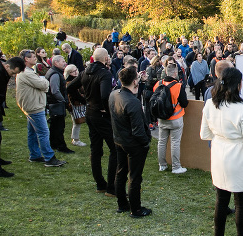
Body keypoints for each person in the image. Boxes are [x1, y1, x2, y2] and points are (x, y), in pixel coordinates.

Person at [199, 67, 243, 236]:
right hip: (238, 158)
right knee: (241, 204)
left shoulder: (209, 104)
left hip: (219, 155)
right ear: (238, 85)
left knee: (221, 201)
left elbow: (204, 135)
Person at [68, 47, 117, 194]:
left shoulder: (84, 72)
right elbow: (104, 95)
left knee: (95, 149)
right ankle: (110, 187)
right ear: (105, 58)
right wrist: (106, 110)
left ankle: (100, 184)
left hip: (90, 112)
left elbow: (70, 87)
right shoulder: (104, 74)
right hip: (100, 114)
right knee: (114, 149)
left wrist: (85, 101)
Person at [109, 66, 153, 218]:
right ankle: (136, 209)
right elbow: (138, 130)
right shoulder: (132, 102)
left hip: (119, 140)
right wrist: (146, 141)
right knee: (134, 177)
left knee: (121, 172)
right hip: (133, 144)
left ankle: (122, 204)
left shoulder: (114, 94)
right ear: (135, 81)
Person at [16, 50, 67, 168]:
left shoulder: (28, 72)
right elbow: (44, 84)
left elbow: (41, 84)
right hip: (34, 106)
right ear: (26, 59)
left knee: (32, 132)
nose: (35, 58)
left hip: (31, 104)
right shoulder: (26, 73)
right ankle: (49, 158)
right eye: (33, 57)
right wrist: (43, 81)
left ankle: (34, 154)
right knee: (43, 132)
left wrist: (42, 82)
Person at [154, 62, 189, 174]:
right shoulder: (178, 86)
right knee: (175, 142)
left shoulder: (158, 84)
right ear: (175, 73)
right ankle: (176, 167)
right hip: (175, 119)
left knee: (162, 142)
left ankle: (162, 165)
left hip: (162, 118)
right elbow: (184, 103)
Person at [46, 55, 72, 154]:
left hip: (53, 103)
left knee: (54, 126)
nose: (65, 63)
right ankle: (61, 146)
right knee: (59, 127)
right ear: (56, 63)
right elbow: (55, 91)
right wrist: (63, 101)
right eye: (62, 61)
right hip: (56, 104)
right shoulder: (55, 74)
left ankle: (53, 144)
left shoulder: (53, 72)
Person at [64, 63, 87, 147]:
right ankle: (75, 139)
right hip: (75, 104)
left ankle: (75, 139)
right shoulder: (70, 82)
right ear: (69, 73)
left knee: (78, 122)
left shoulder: (76, 79)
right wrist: (85, 101)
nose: (76, 72)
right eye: (73, 71)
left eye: (76, 70)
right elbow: (75, 95)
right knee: (77, 122)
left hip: (78, 103)